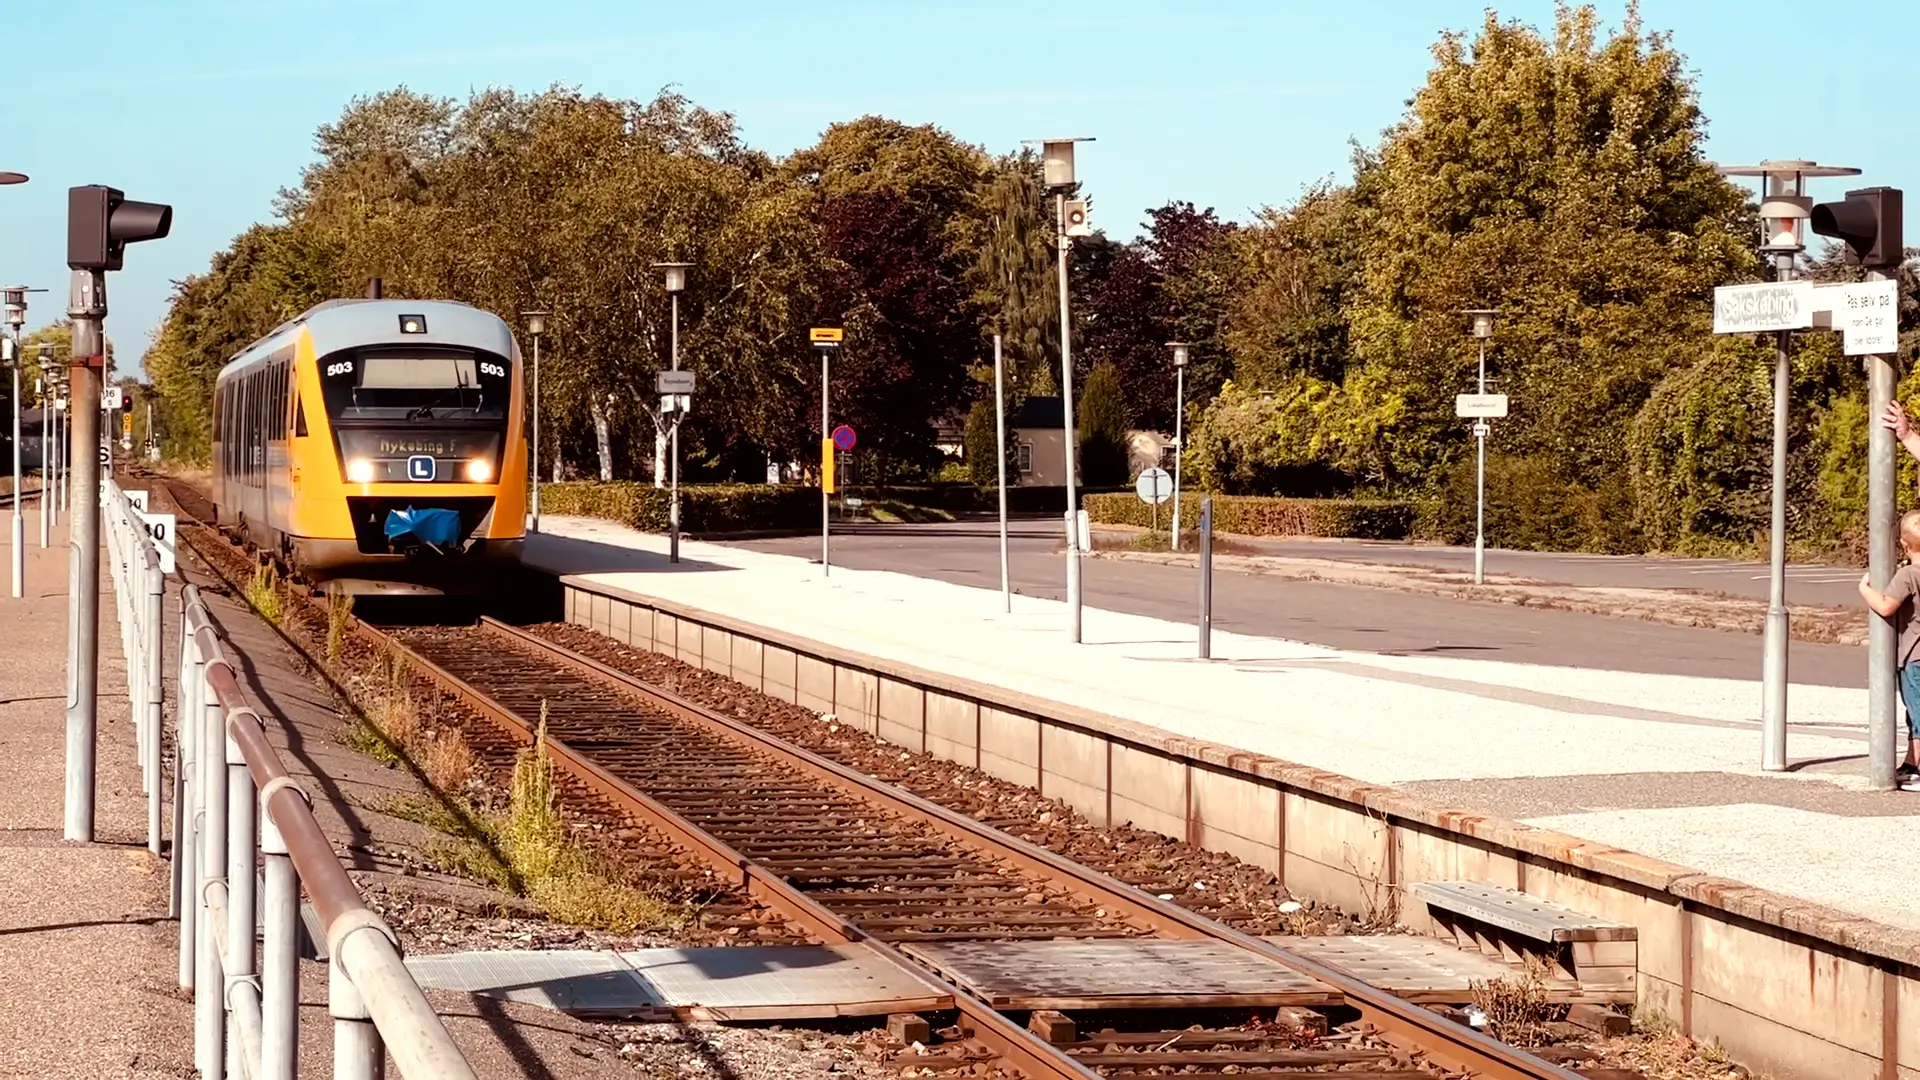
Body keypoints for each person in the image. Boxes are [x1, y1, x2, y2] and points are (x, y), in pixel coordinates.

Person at [1858, 508, 1920, 790]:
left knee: (1918, 713)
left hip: (1914, 657)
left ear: (1904, 545)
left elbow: (1885, 606)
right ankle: (1911, 764)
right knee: (1914, 714)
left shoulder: (1908, 574)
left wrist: (1864, 588)